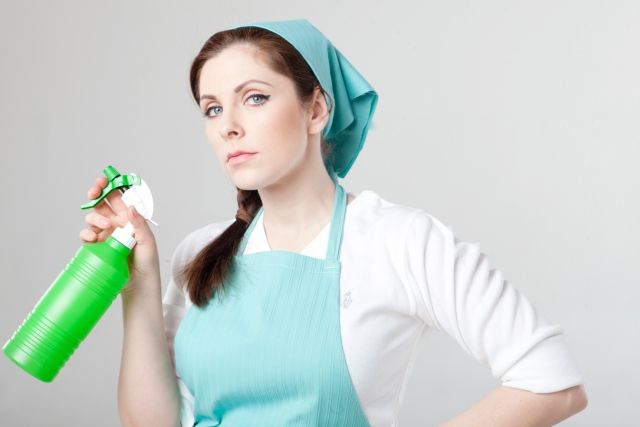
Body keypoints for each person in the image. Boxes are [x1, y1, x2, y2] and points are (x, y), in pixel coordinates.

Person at [80, 18, 588, 427]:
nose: (228, 126)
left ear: (317, 108)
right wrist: (139, 285)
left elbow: (554, 383)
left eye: (254, 97)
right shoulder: (200, 252)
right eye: (212, 109)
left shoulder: (399, 241)